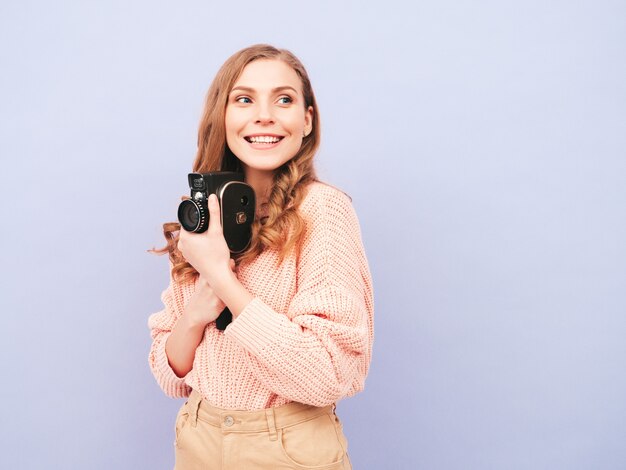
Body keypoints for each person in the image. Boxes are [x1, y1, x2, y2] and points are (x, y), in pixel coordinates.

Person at [148, 44, 374, 470]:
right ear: (223, 116)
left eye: (284, 99)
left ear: (307, 120)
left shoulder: (323, 212)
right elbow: (167, 372)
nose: (264, 115)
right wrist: (197, 311)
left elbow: (327, 374)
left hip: (287, 447)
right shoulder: (204, 213)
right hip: (198, 437)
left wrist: (221, 279)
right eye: (244, 99)